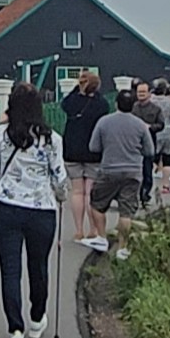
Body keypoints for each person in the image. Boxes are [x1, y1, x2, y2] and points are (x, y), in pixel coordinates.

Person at [0, 83, 69, 338]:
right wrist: (61, 196)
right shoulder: (51, 138)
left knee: (10, 269)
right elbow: (60, 177)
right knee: (39, 265)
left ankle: (15, 331)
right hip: (41, 208)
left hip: (6, 206)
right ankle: (36, 317)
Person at [82, 90, 153, 260]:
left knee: (97, 204)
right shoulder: (140, 125)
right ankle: (123, 248)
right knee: (126, 212)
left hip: (109, 170)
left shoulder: (104, 122)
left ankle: (101, 238)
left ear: (116, 103)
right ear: (133, 105)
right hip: (133, 172)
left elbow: (94, 147)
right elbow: (149, 150)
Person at [61, 70, 109, 240]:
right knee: (90, 193)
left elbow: (64, 104)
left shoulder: (72, 102)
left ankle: (78, 229)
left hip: (72, 150)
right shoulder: (101, 104)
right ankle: (93, 229)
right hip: (94, 151)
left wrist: (77, 89)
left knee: (77, 192)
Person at [131, 81, 164, 207]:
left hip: (149, 142)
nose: (141, 94)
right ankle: (135, 194)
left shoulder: (156, 109)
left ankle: (145, 194)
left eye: (143, 92)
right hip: (134, 144)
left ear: (149, 93)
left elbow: (161, 125)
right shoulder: (133, 108)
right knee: (135, 170)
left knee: (147, 169)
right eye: (139, 92)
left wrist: (150, 127)